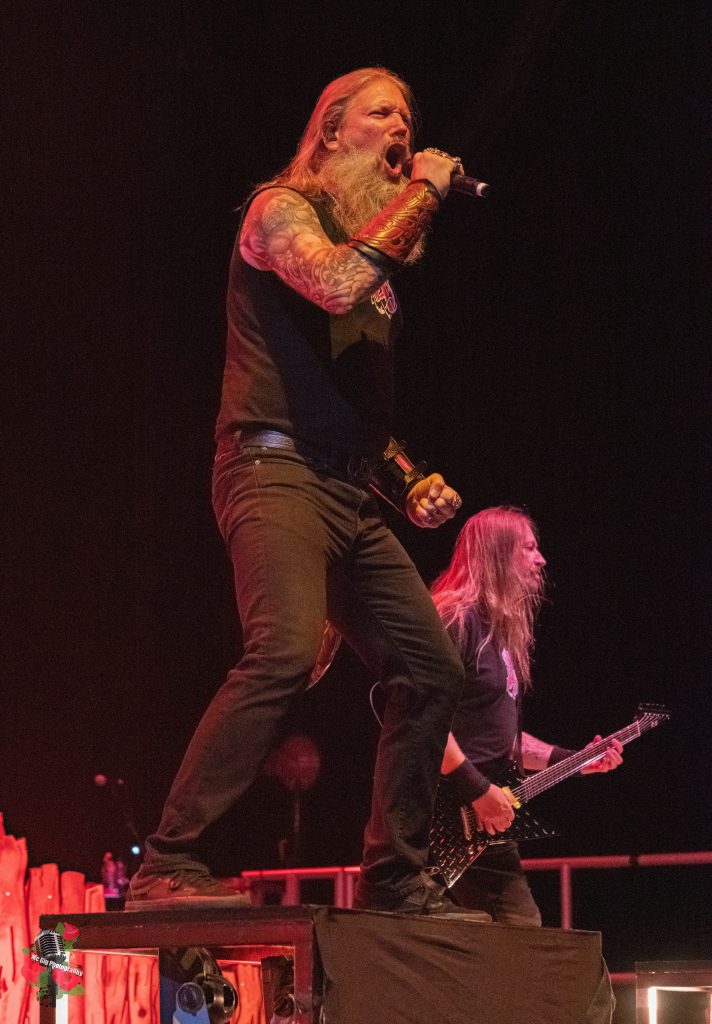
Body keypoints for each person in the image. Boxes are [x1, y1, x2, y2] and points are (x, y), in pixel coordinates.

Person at [127, 68, 473, 915]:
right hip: (271, 470)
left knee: (432, 669)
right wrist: (427, 188)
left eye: (410, 118)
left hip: (346, 489)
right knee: (283, 651)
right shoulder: (279, 211)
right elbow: (334, 282)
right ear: (331, 131)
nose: (403, 130)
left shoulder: (375, 271)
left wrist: (409, 481)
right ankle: (167, 862)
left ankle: (394, 879)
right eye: (383, 113)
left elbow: (349, 406)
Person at [432, 507, 623, 925]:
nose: (541, 560)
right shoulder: (455, 619)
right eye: (530, 548)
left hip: (485, 818)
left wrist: (574, 760)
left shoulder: (497, 633)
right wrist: (476, 790)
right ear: (499, 554)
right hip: (450, 816)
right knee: (520, 936)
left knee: (512, 938)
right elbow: (422, 720)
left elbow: (497, 738)